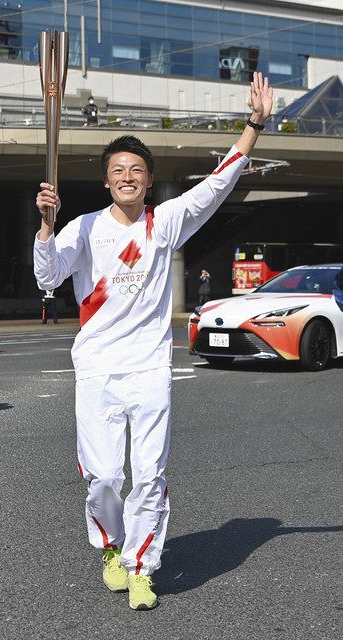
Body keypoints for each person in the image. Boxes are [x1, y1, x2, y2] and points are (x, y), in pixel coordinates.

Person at [34, 72, 273, 610]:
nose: (127, 178)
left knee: (149, 474)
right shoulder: (84, 228)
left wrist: (254, 125)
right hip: (96, 366)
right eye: (117, 171)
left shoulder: (163, 224)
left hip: (146, 368)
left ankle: (142, 565)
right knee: (102, 476)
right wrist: (47, 227)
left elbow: (216, 185)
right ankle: (111, 547)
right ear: (106, 181)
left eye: (136, 171)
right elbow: (47, 277)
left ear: (147, 180)